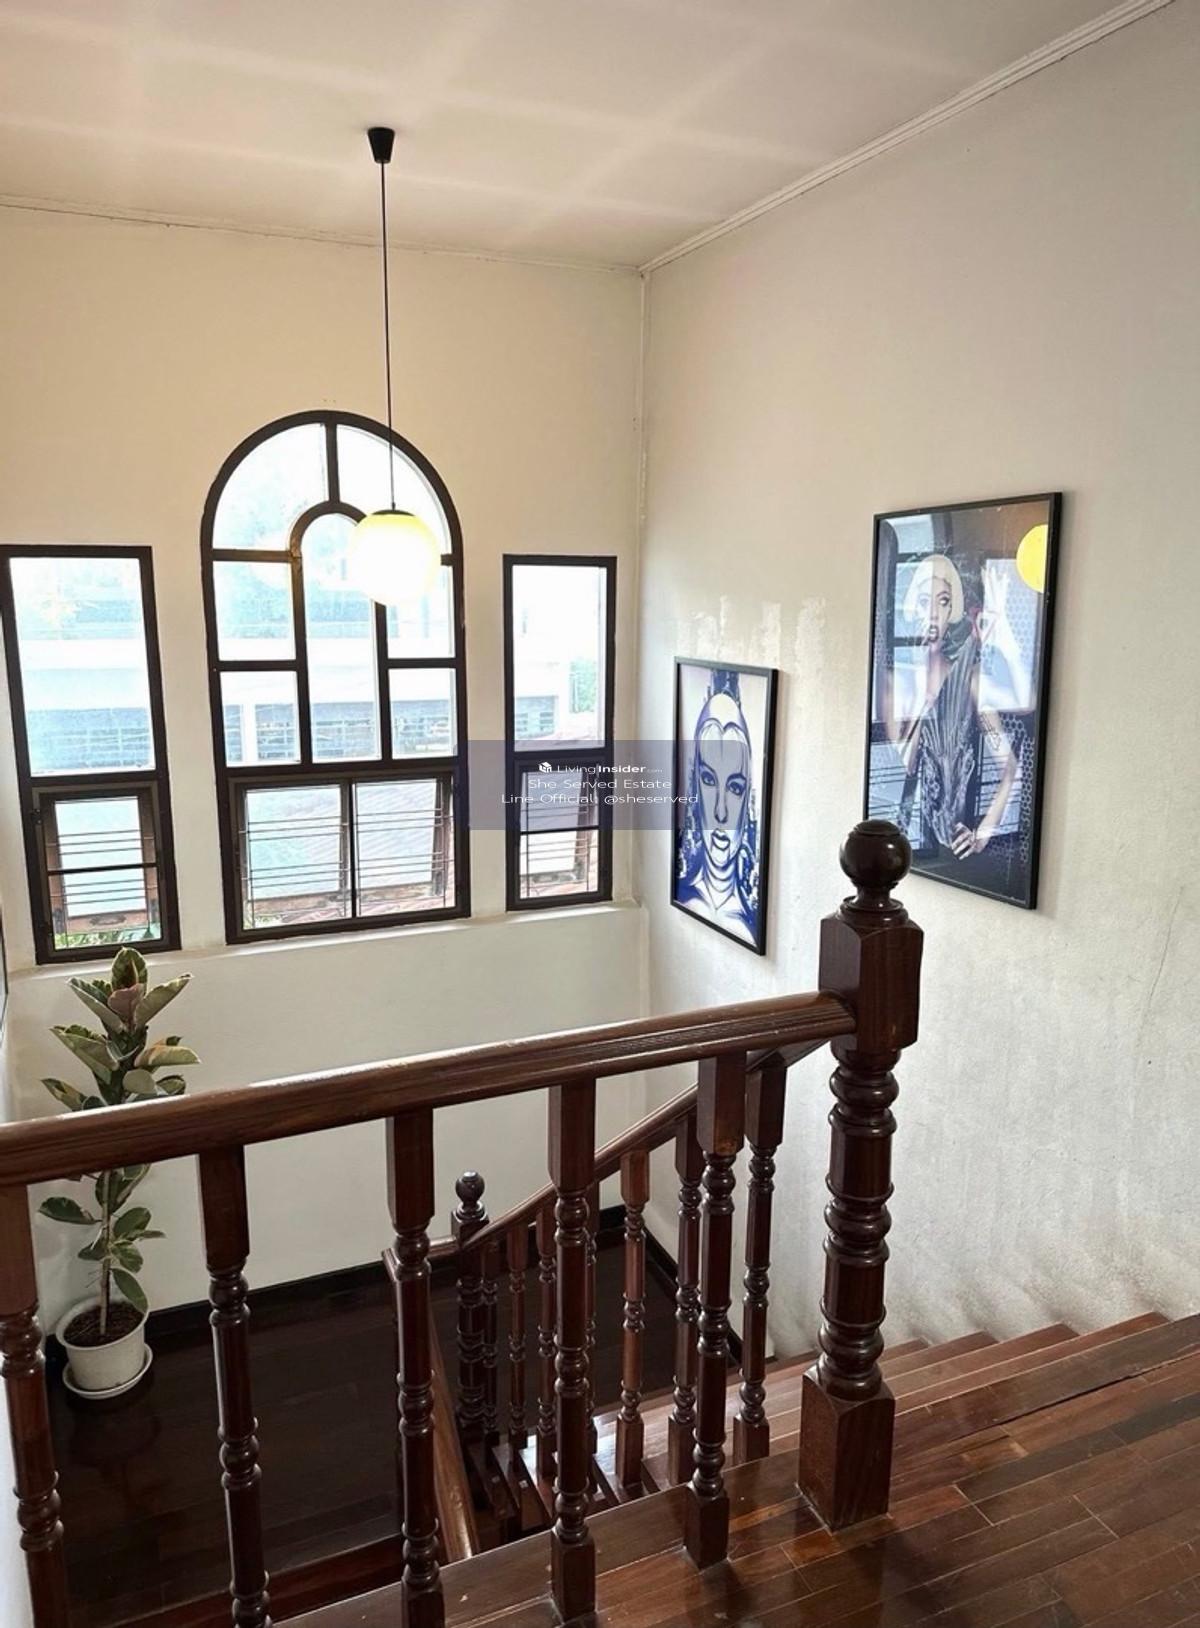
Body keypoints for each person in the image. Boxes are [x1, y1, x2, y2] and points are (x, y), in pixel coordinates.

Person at [884, 553, 1018, 862]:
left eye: (943, 602)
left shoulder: (969, 680)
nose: (933, 613)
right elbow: (903, 768)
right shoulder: (895, 682)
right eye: (924, 601)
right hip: (904, 842)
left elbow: (1009, 769)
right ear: (911, 608)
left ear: (951, 611)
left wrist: (981, 835)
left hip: (953, 852)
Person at [676, 672, 760, 942]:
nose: (720, 813)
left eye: (735, 788)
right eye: (709, 781)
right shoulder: (685, 894)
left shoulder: (748, 921)